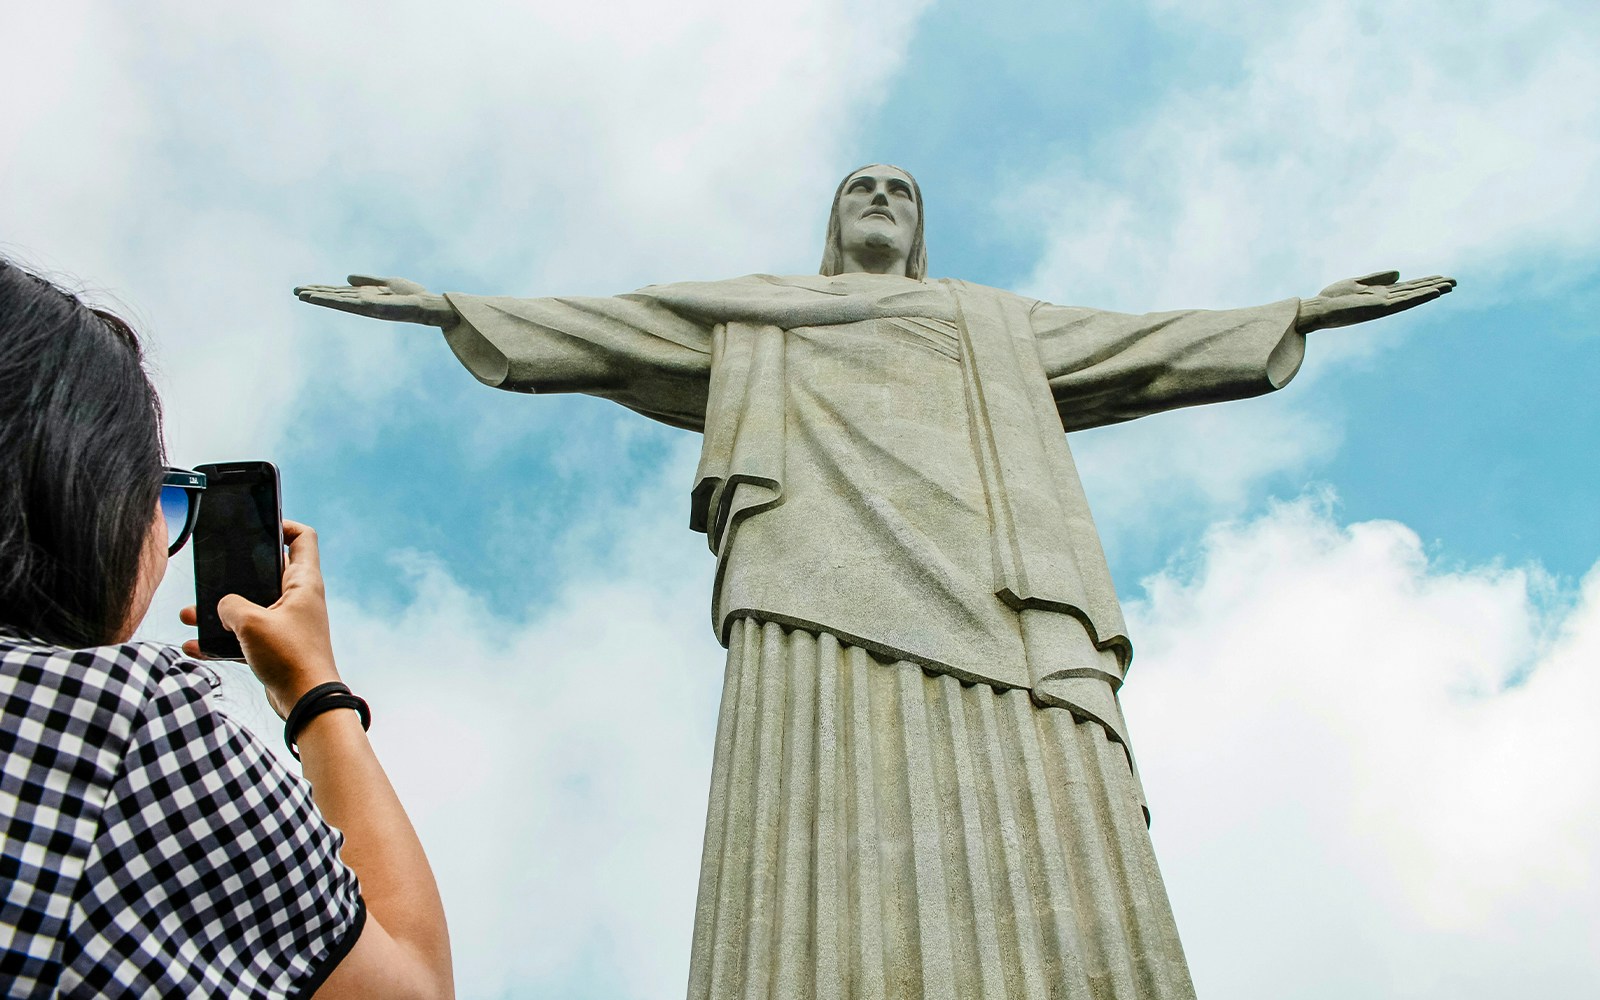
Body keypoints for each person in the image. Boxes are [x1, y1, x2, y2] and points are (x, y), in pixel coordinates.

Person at [296, 164, 1454, 999]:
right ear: (830, 226)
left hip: (1003, 595)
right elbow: (614, 326)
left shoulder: (992, 323)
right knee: (811, 797)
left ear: (922, 230)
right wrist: (454, 306)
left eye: (900, 193)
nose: (881, 205)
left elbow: (1139, 346)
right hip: (810, 583)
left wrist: (1293, 314)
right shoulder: (756, 312)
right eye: (861, 190)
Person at [0, 256, 453, 999]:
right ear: (75, 486)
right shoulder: (114, 723)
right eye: (163, 498)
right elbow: (411, 989)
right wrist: (314, 689)